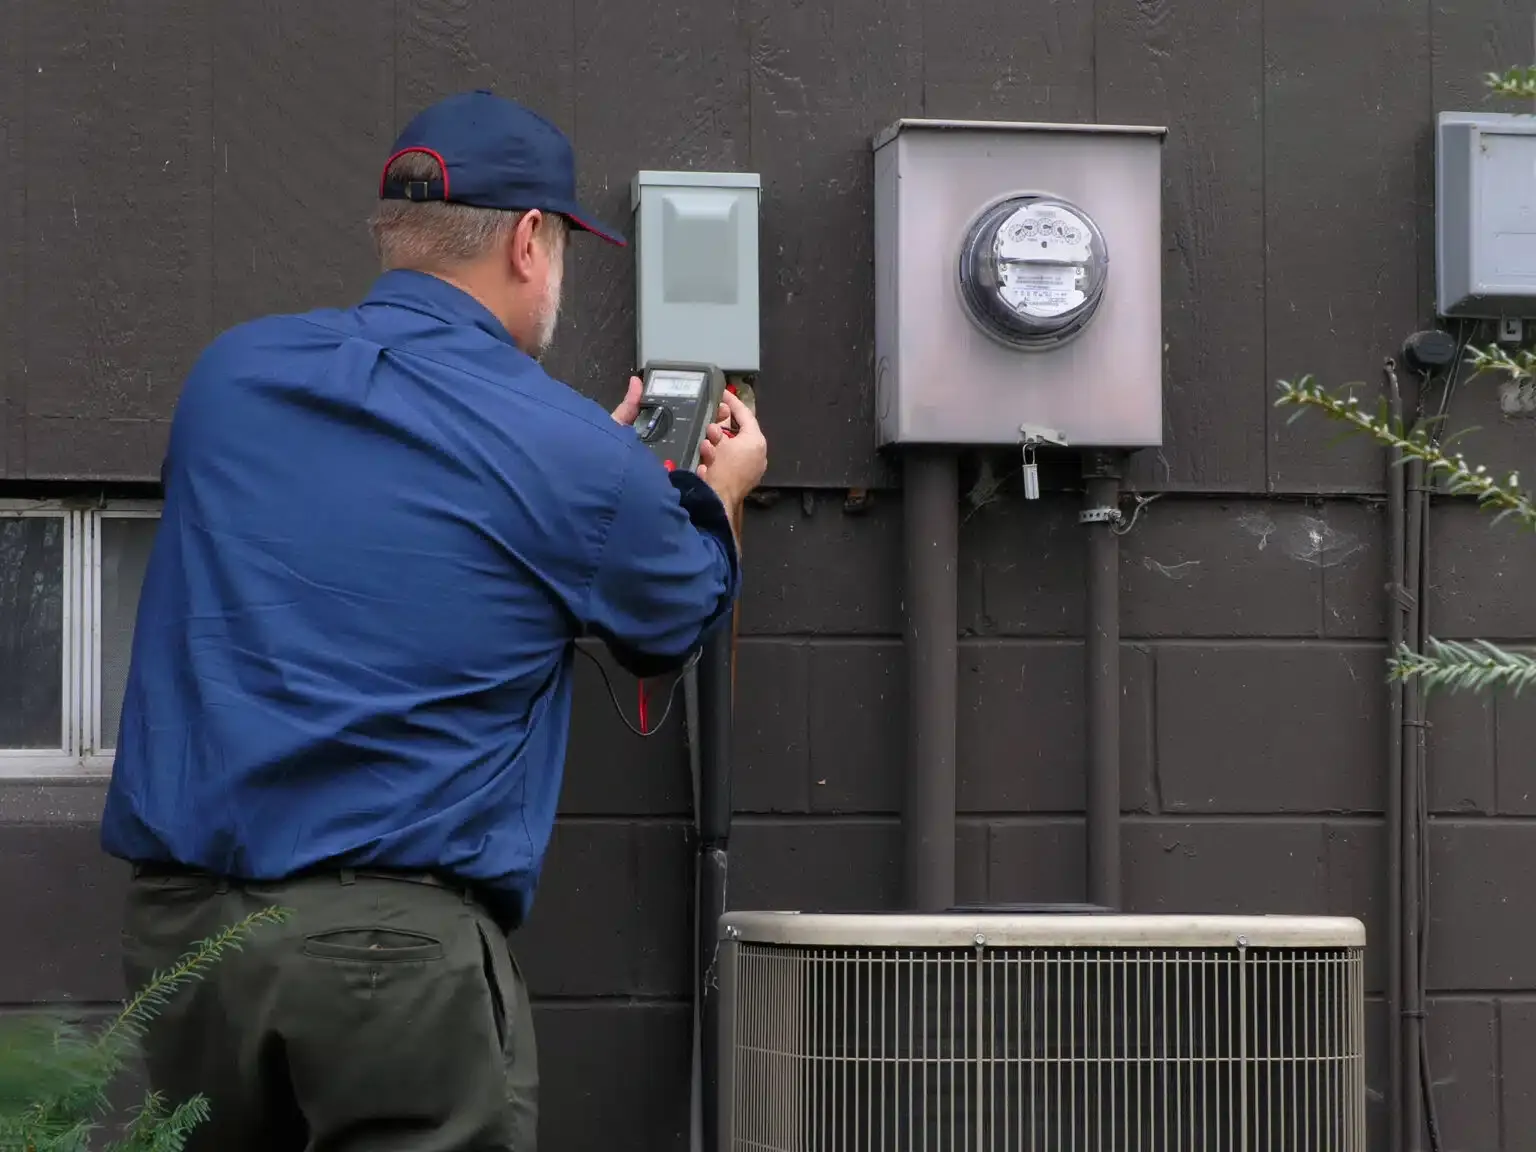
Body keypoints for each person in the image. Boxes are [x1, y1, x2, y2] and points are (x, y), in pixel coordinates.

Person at [98, 89, 767, 1152]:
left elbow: (376, 508)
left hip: (186, 938)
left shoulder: (231, 376)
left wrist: (576, 476)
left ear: (394, 234)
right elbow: (668, 616)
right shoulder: (568, 455)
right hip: (388, 949)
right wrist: (713, 499)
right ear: (530, 241)